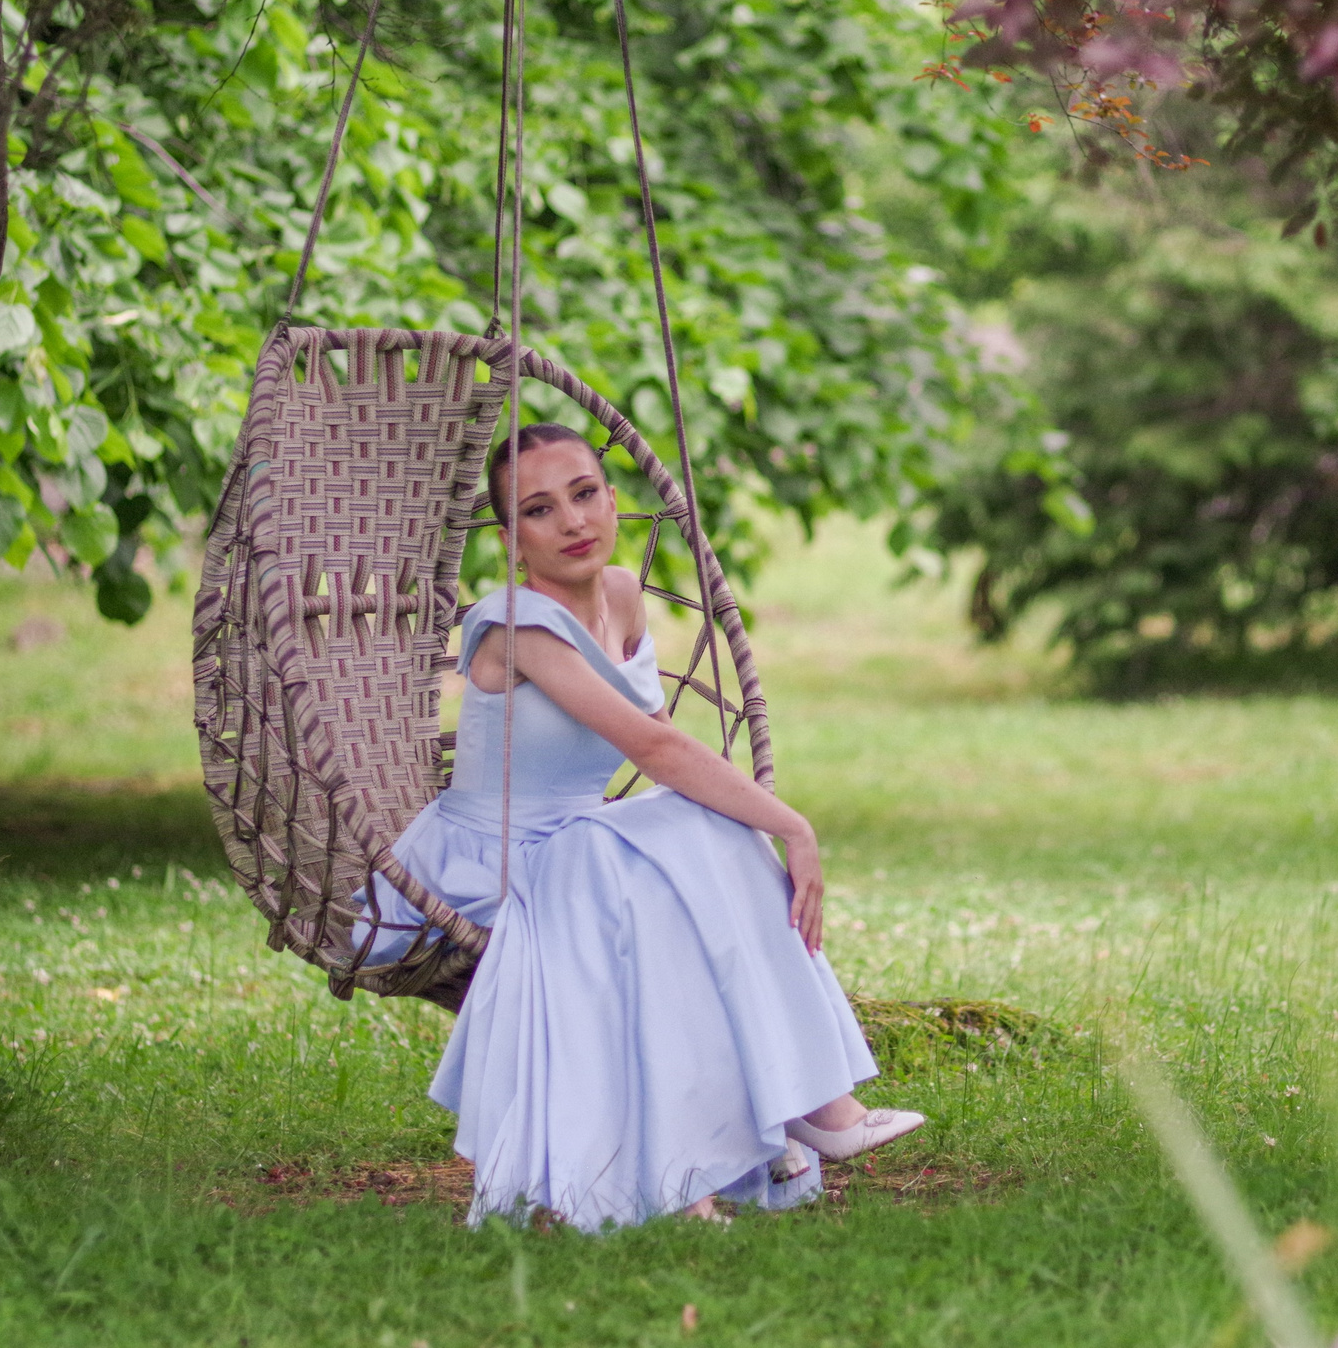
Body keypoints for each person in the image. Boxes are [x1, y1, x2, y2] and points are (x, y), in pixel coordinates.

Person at [356, 421, 925, 1228]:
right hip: (490, 862)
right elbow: (651, 744)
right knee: (665, 857)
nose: (574, 521)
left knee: (709, 830)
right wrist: (795, 827)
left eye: (585, 494)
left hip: (579, 840)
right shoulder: (513, 618)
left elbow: (661, 735)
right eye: (540, 509)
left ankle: (810, 1103)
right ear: (513, 539)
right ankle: (692, 1163)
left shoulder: (621, 593)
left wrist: (736, 820)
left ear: (614, 497)